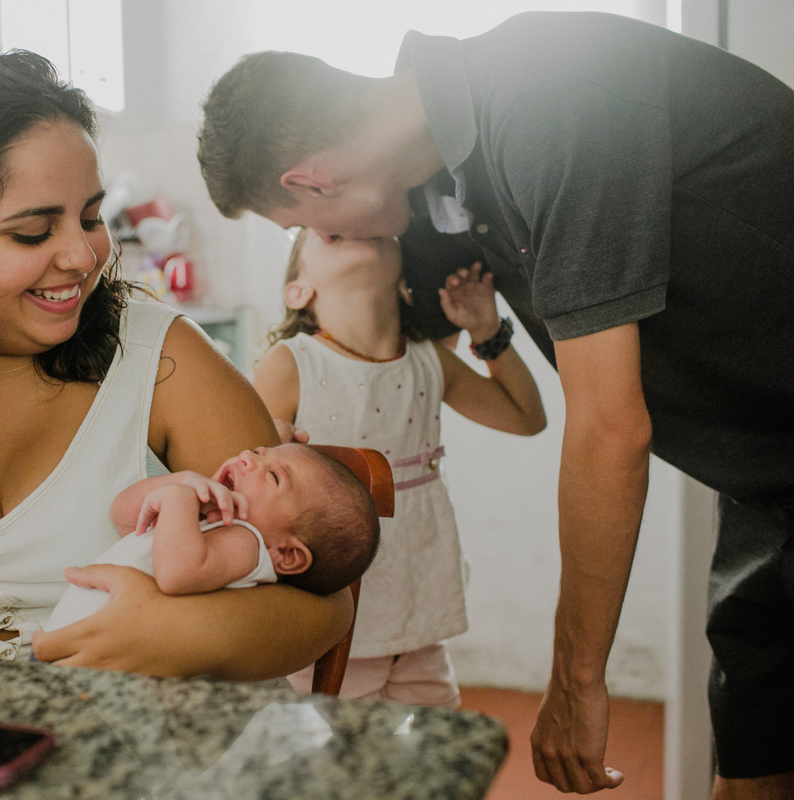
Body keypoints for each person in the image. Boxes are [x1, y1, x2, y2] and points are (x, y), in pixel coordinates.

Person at [196, 11, 794, 797]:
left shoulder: (554, 95)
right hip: (764, 473)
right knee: (754, 734)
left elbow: (608, 426)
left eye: (301, 224)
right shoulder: (439, 185)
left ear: (313, 181)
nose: (320, 238)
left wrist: (577, 680)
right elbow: (384, 332)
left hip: (767, 447)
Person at [0, 50, 357, 682]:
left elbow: (322, 608)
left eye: (91, 218)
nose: (84, 256)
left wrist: (180, 633)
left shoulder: (161, 360)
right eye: (32, 233)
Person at [252, 229, 544, 707]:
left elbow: (527, 417)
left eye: (368, 225)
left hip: (421, 622)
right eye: (328, 229)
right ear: (298, 290)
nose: (349, 225)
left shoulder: (430, 361)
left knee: (432, 762)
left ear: (405, 282)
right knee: (335, 764)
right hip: (333, 630)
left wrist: (486, 331)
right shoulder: (291, 364)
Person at [45, 443, 381, 632]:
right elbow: (122, 516)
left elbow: (177, 575)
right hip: (76, 649)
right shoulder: (208, 521)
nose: (248, 458)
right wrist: (181, 482)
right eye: (261, 452)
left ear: (287, 555)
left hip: (104, 664)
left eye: (274, 476)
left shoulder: (248, 543)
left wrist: (178, 498)